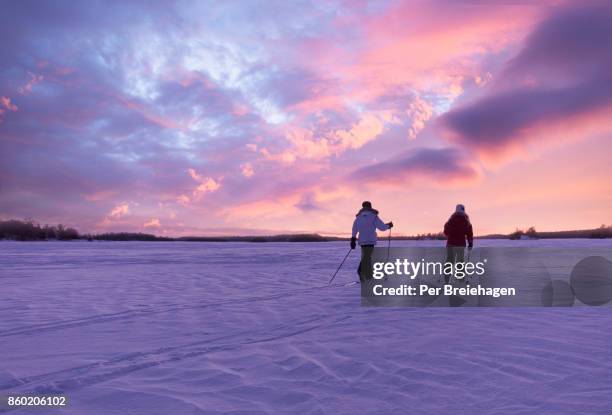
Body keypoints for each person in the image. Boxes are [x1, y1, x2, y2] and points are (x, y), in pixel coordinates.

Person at [351, 201, 393, 282]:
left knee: (367, 256)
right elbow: (382, 227)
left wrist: (353, 239)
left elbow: (354, 229)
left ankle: (368, 276)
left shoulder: (358, 218)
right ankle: (360, 271)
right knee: (367, 257)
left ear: (363, 207)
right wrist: (389, 226)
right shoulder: (373, 216)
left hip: (362, 240)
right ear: (370, 206)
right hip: (370, 240)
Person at [443, 203, 474, 284]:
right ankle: (460, 279)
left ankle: (446, 279)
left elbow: (445, 232)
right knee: (460, 262)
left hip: (450, 245)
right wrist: (470, 243)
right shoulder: (466, 220)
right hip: (460, 245)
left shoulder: (451, 220)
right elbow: (469, 233)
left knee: (449, 261)